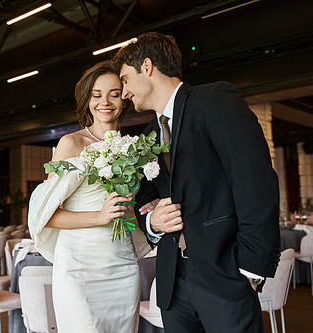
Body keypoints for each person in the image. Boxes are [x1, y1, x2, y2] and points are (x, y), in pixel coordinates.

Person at [113, 32, 281, 332]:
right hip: (173, 281)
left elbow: (255, 180)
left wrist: (251, 269)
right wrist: (153, 221)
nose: (125, 92)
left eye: (125, 79)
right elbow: (142, 200)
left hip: (225, 274)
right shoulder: (147, 135)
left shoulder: (213, 100)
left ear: (147, 67)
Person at [28, 60, 149, 332]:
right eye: (96, 95)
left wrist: (133, 216)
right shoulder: (71, 143)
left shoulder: (134, 149)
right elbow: (46, 216)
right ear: (87, 100)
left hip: (122, 266)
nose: (105, 102)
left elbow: (130, 215)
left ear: (125, 97)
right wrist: (100, 216)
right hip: (78, 267)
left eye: (114, 94)